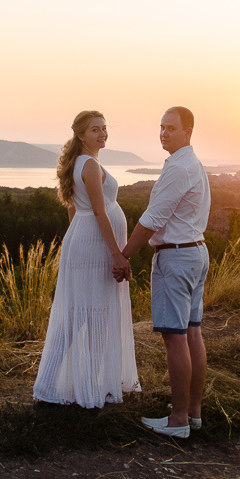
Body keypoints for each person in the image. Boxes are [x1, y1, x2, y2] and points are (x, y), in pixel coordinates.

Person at [33, 110, 140, 408]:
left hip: (86, 243)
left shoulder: (81, 162)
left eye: (105, 128)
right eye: (95, 130)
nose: (103, 134)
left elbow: (73, 209)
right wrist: (117, 254)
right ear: (81, 135)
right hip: (93, 246)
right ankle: (83, 386)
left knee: (83, 315)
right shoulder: (89, 165)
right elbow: (98, 211)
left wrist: (79, 241)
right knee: (90, 316)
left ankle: (83, 382)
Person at [120, 106, 211, 438]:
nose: (163, 133)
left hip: (176, 259)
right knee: (191, 333)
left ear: (188, 132)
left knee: (175, 338)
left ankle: (178, 420)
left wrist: (122, 255)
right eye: (161, 127)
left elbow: (151, 220)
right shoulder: (193, 164)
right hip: (196, 253)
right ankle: (194, 414)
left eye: (171, 128)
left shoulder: (179, 168)